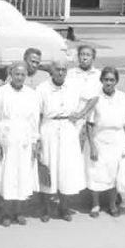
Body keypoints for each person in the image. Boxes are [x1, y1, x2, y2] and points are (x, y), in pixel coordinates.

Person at [36, 59, 92, 222]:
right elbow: (37, 114)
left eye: (63, 70)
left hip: (68, 128)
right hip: (48, 128)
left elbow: (93, 97)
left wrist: (81, 114)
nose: (60, 72)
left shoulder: (74, 86)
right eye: (57, 70)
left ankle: (64, 208)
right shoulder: (42, 88)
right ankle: (46, 209)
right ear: (51, 71)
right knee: (48, 167)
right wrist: (37, 139)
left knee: (66, 169)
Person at [0, 62, 41, 226]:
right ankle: (6, 212)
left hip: (25, 139)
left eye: (22, 75)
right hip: (7, 139)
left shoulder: (31, 94)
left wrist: (35, 141)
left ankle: (19, 211)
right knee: (7, 175)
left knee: (23, 175)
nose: (19, 77)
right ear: (11, 74)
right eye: (16, 74)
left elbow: (34, 120)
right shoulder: (0, 92)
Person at [85, 67, 125, 218]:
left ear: (116, 81)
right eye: (106, 79)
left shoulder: (124, 98)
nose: (108, 82)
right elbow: (89, 124)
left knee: (115, 174)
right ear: (101, 80)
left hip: (117, 140)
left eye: (112, 80)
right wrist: (92, 146)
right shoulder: (95, 98)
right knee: (96, 172)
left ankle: (112, 204)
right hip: (99, 139)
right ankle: (95, 205)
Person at [67, 45, 102, 146]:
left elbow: (97, 97)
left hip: (92, 116)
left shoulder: (98, 75)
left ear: (93, 58)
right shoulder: (71, 74)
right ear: (78, 57)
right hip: (75, 115)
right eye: (82, 54)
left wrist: (83, 113)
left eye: (88, 55)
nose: (84, 57)